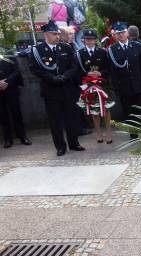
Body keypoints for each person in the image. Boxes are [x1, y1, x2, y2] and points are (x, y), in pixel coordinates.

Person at [30, 21, 84, 156]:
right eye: (54, 34)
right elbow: (35, 69)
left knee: (71, 118)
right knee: (55, 121)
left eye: (58, 34)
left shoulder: (66, 48)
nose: (57, 36)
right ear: (46, 34)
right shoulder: (37, 50)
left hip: (67, 88)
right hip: (51, 90)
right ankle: (60, 146)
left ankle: (74, 143)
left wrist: (65, 77)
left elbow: (74, 66)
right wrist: (52, 78)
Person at [108, 21, 141, 136]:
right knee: (128, 110)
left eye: (123, 32)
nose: (121, 35)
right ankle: (133, 132)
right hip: (124, 86)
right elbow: (112, 71)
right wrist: (116, 88)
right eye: (118, 33)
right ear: (115, 35)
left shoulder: (136, 46)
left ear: (127, 33)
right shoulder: (112, 50)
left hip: (139, 84)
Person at [73, 28, 112, 143]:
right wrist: (87, 74)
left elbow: (108, 69)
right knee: (94, 110)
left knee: (107, 109)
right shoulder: (79, 54)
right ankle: (98, 133)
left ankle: (108, 132)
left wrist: (100, 73)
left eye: (92, 39)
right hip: (88, 86)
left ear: (96, 40)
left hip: (102, 85)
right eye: (87, 39)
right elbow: (76, 71)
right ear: (83, 40)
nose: (89, 42)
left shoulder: (103, 52)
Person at [0, 54, 31, 149]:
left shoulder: (7, 55)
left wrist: (7, 81)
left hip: (11, 88)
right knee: (2, 115)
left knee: (16, 113)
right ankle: (7, 139)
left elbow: (17, 71)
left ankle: (22, 136)